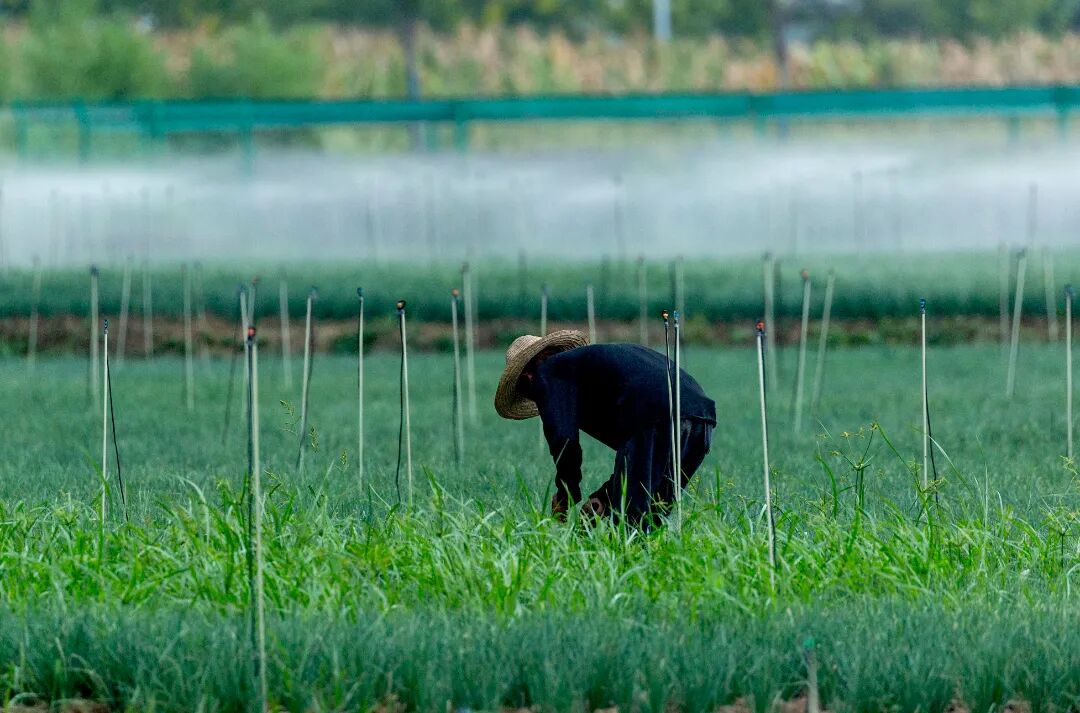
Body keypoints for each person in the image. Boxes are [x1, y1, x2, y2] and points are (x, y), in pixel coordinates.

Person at [494, 330, 716, 527]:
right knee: (653, 513)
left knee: (632, 524)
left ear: (528, 378)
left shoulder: (548, 373)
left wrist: (566, 494)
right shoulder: (585, 372)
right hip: (701, 417)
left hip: (655, 413)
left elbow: (564, 440)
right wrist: (604, 497)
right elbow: (637, 458)